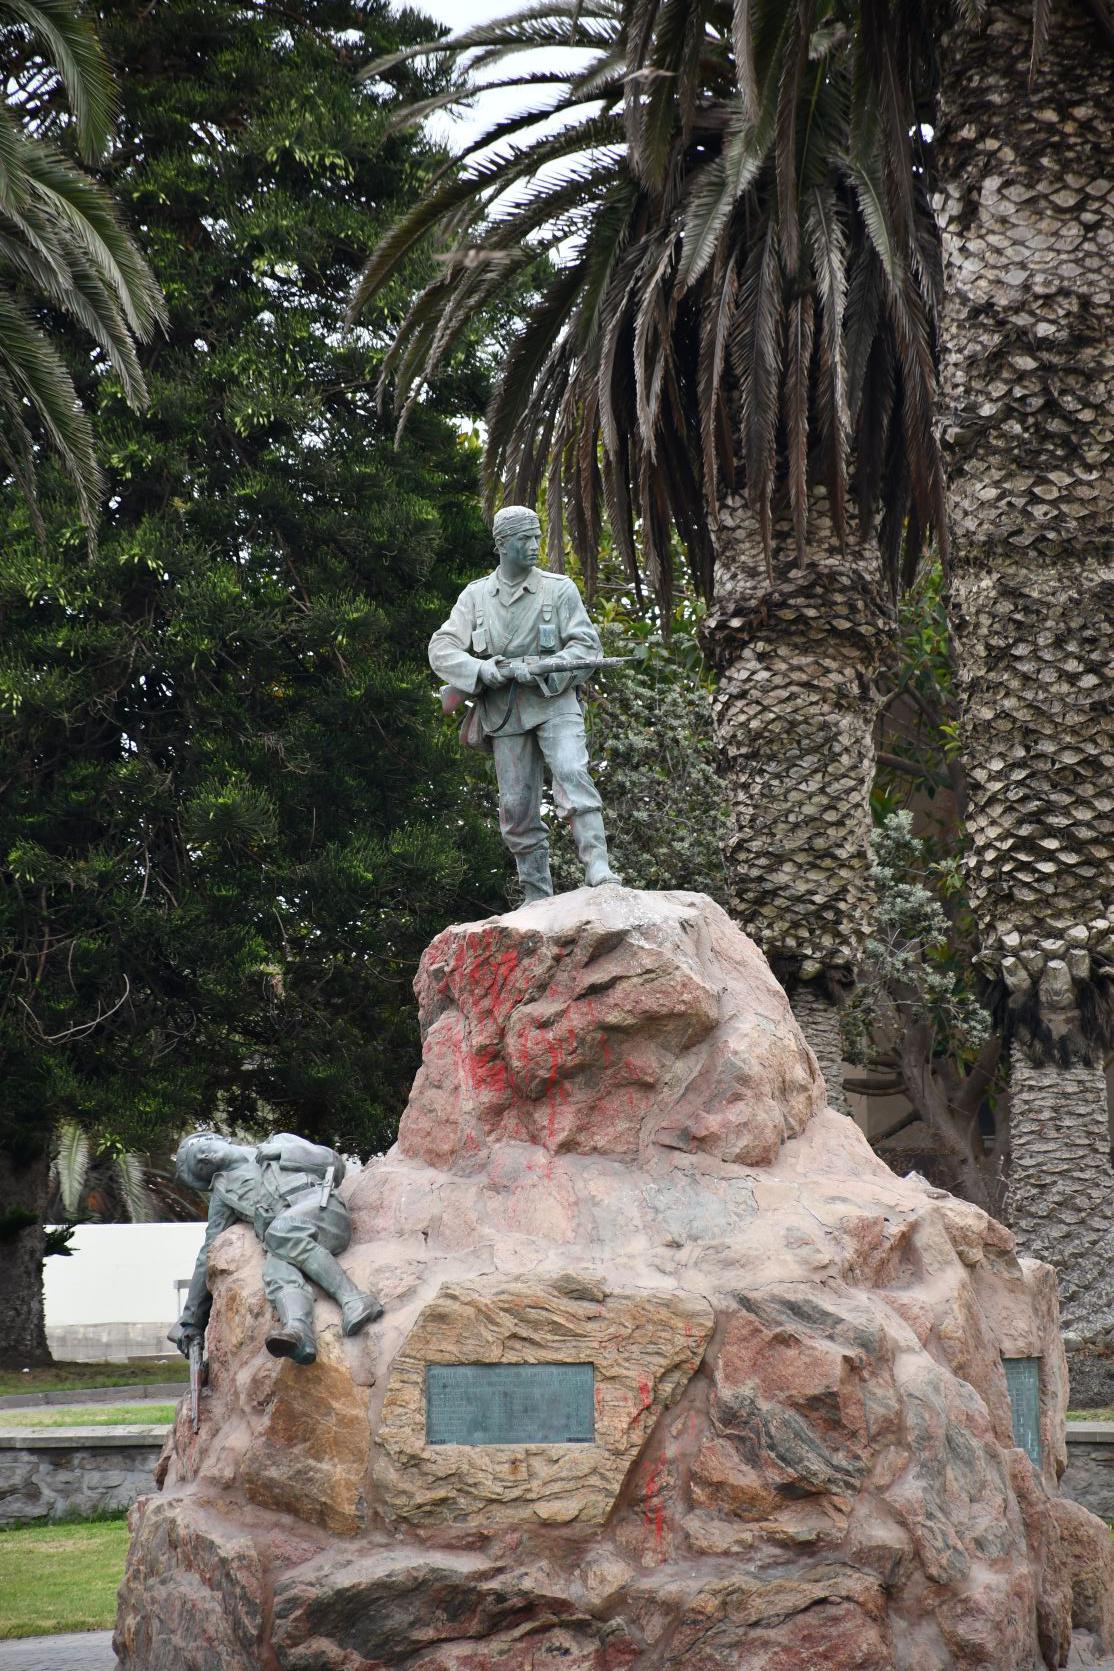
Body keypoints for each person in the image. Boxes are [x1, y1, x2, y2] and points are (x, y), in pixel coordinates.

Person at [428, 504, 621, 901]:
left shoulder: (558, 589)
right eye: (524, 539)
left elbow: (587, 647)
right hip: (504, 714)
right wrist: (482, 671)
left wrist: (546, 668)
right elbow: (441, 648)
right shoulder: (476, 596)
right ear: (502, 544)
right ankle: (536, 895)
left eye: (536, 536)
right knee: (516, 807)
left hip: (554, 703)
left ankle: (598, 868)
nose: (535, 545)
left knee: (572, 771)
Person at [169, 1130, 382, 1367]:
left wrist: (283, 1153)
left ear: (219, 1139)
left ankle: (354, 1299)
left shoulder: (280, 1142)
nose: (205, 1158)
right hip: (285, 1240)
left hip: (323, 1211)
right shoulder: (223, 1194)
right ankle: (298, 1332)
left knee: (280, 1231)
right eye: (200, 1166)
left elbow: (334, 1164)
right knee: (275, 1270)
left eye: (202, 1151)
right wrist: (191, 1321)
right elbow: (207, 1253)